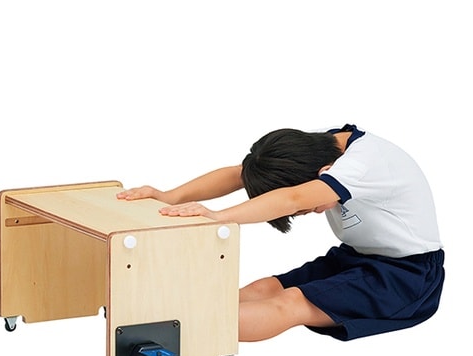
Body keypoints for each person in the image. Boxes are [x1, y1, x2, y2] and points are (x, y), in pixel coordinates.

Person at [117, 124, 445, 343]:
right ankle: (163, 311)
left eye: (310, 208)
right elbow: (241, 173)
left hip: (408, 277)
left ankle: (177, 327)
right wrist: (169, 196)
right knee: (266, 287)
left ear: (325, 173)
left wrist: (219, 217)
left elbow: (294, 198)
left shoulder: (364, 162)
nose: (314, 211)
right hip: (356, 257)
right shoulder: (321, 147)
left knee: (291, 302)